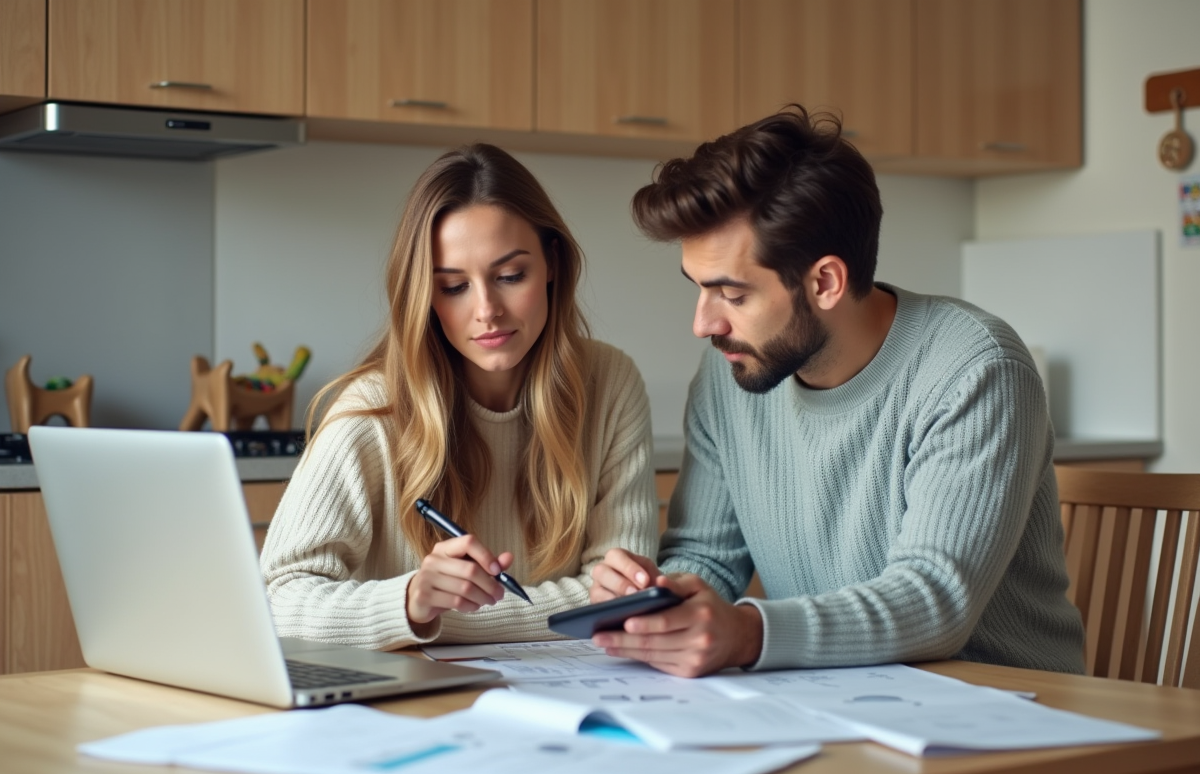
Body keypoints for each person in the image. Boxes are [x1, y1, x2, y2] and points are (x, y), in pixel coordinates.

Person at [589, 106, 1086, 678]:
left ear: (825, 281)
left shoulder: (974, 368)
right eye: (699, 288)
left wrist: (746, 633)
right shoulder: (730, 375)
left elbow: (935, 599)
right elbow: (706, 559)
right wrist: (655, 599)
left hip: (1005, 702)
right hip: (832, 696)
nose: (703, 324)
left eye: (733, 295)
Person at [261, 144, 658, 648]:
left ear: (552, 263)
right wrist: (410, 602)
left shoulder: (610, 383)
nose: (487, 310)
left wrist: (443, 619)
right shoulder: (372, 411)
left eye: (510, 276)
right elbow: (277, 601)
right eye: (453, 287)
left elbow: (619, 598)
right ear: (424, 295)